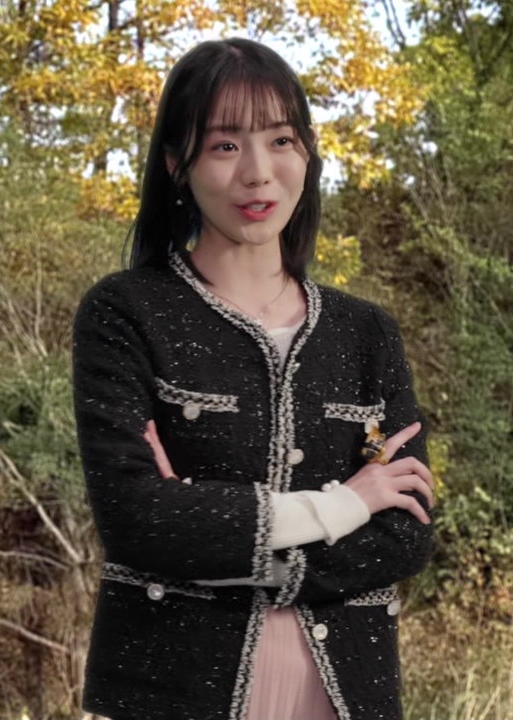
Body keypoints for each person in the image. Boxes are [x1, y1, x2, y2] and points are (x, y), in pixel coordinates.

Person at [71, 37, 435, 720]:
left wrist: (212, 534)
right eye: (225, 145)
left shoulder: (366, 333)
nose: (258, 173)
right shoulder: (126, 312)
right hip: (171, 694)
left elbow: (406, 532)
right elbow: (136, 521)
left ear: (308, 154)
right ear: (177, 163)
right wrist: (343, 505)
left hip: (346, 694)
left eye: (281, 140)